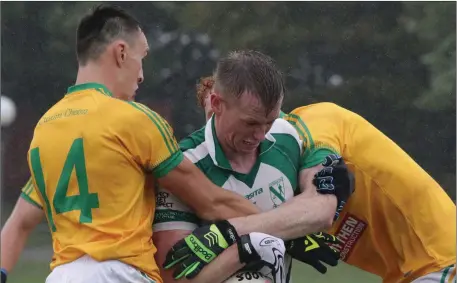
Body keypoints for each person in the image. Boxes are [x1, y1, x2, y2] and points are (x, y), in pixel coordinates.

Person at [0, 5, 265, 283]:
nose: (141, 75)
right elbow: (211, 202)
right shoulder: (134, 119)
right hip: (120, 274)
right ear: (122, 52)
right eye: (142, 57)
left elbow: (19, 222)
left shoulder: (45, 129)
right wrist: (287, 226)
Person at [195, 76, 456, 283]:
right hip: (411, 273)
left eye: (226, 116)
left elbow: (323, 191)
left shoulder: (314, 122)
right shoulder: (267, 183)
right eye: (210, 121)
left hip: (442, 258)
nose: (217, 133)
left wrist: (229, 232)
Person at [153, 51, 353, 283]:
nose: (260, 135)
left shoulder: (286, 136)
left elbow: (320, 209)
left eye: (269, 122)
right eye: (250, 123)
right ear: (217, 104)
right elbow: (172, 278)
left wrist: (230, 232)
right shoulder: (183, 165)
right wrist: (244, 250)